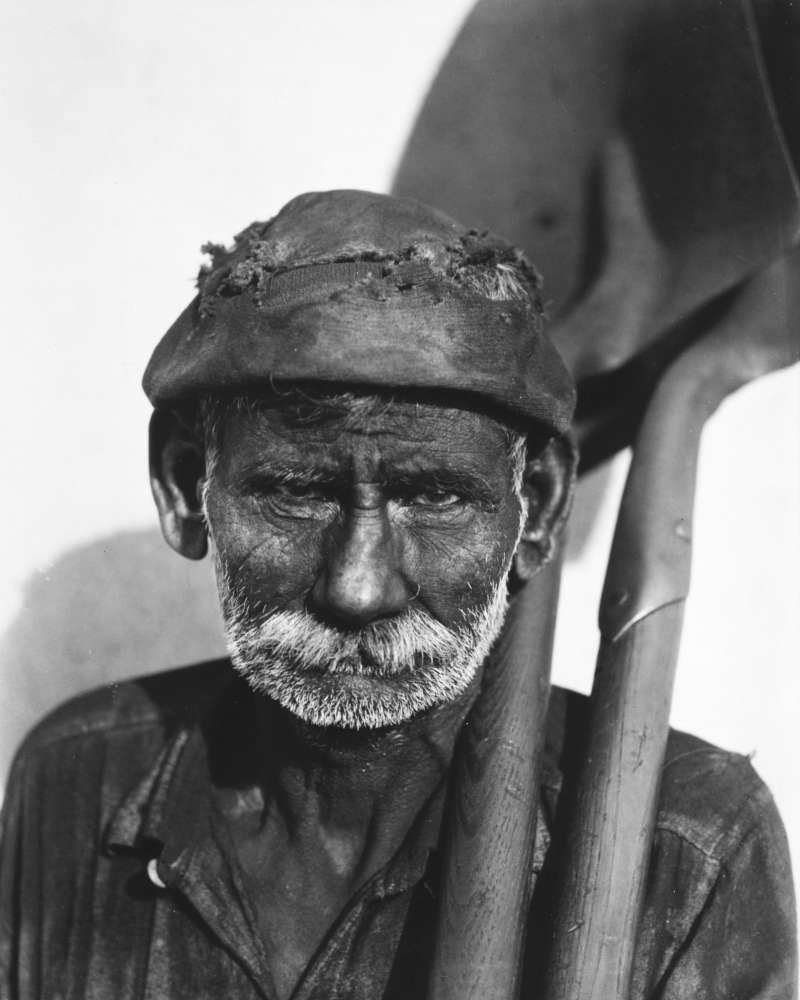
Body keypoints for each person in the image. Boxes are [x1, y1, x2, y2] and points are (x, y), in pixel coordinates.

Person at [0, 190, 795, 1000]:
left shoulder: (689, 849)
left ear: (540, 506)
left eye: (436, 497)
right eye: (296, 492)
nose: (358, 587)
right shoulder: (75, 782)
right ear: (183, 486)